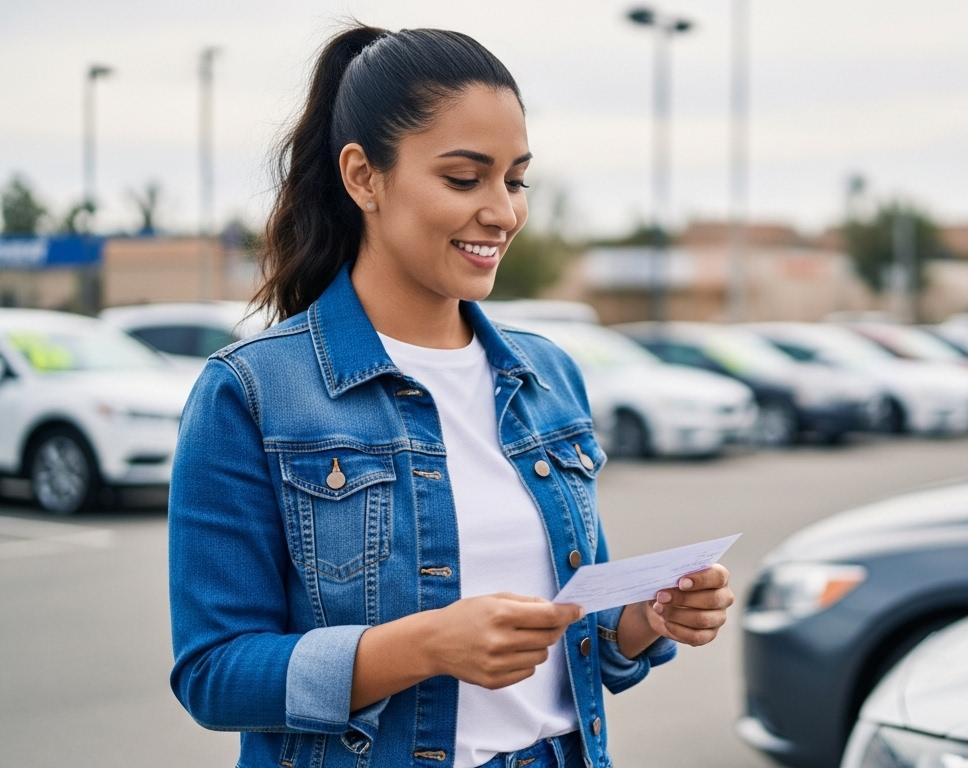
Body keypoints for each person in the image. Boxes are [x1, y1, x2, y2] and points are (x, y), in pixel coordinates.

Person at [167, 24, 734, 768]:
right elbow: (214, 674)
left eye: (516, 179)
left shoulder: (546, 375)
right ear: (364, 177)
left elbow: (574, 639)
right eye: (465, 179)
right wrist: (421, 647)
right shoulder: (252, 392)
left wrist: (643, 620)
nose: (502, 211)